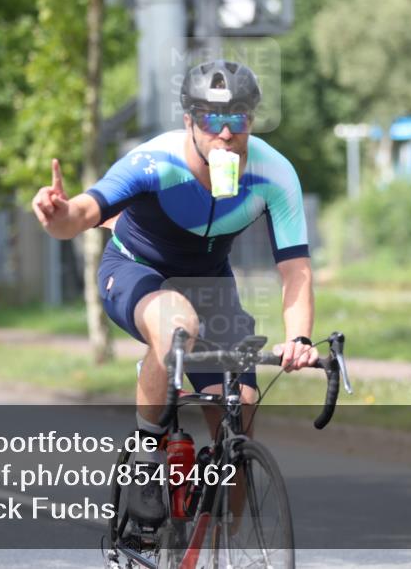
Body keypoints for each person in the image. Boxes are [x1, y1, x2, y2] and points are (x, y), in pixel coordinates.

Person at [31, 59, 317, 526]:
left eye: (237, 119)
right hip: (135, 270)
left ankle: (216, 543)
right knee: (176, 323)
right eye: (210, 119)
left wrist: (300, 339)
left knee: (239, 406)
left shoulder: (274, 174)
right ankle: (146, 460)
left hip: (208, 283)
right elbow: (83, 212)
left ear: (252, 120)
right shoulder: (154, 161)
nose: (225, 134)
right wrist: (56, 214)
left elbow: (296, 270)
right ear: (189, 121)